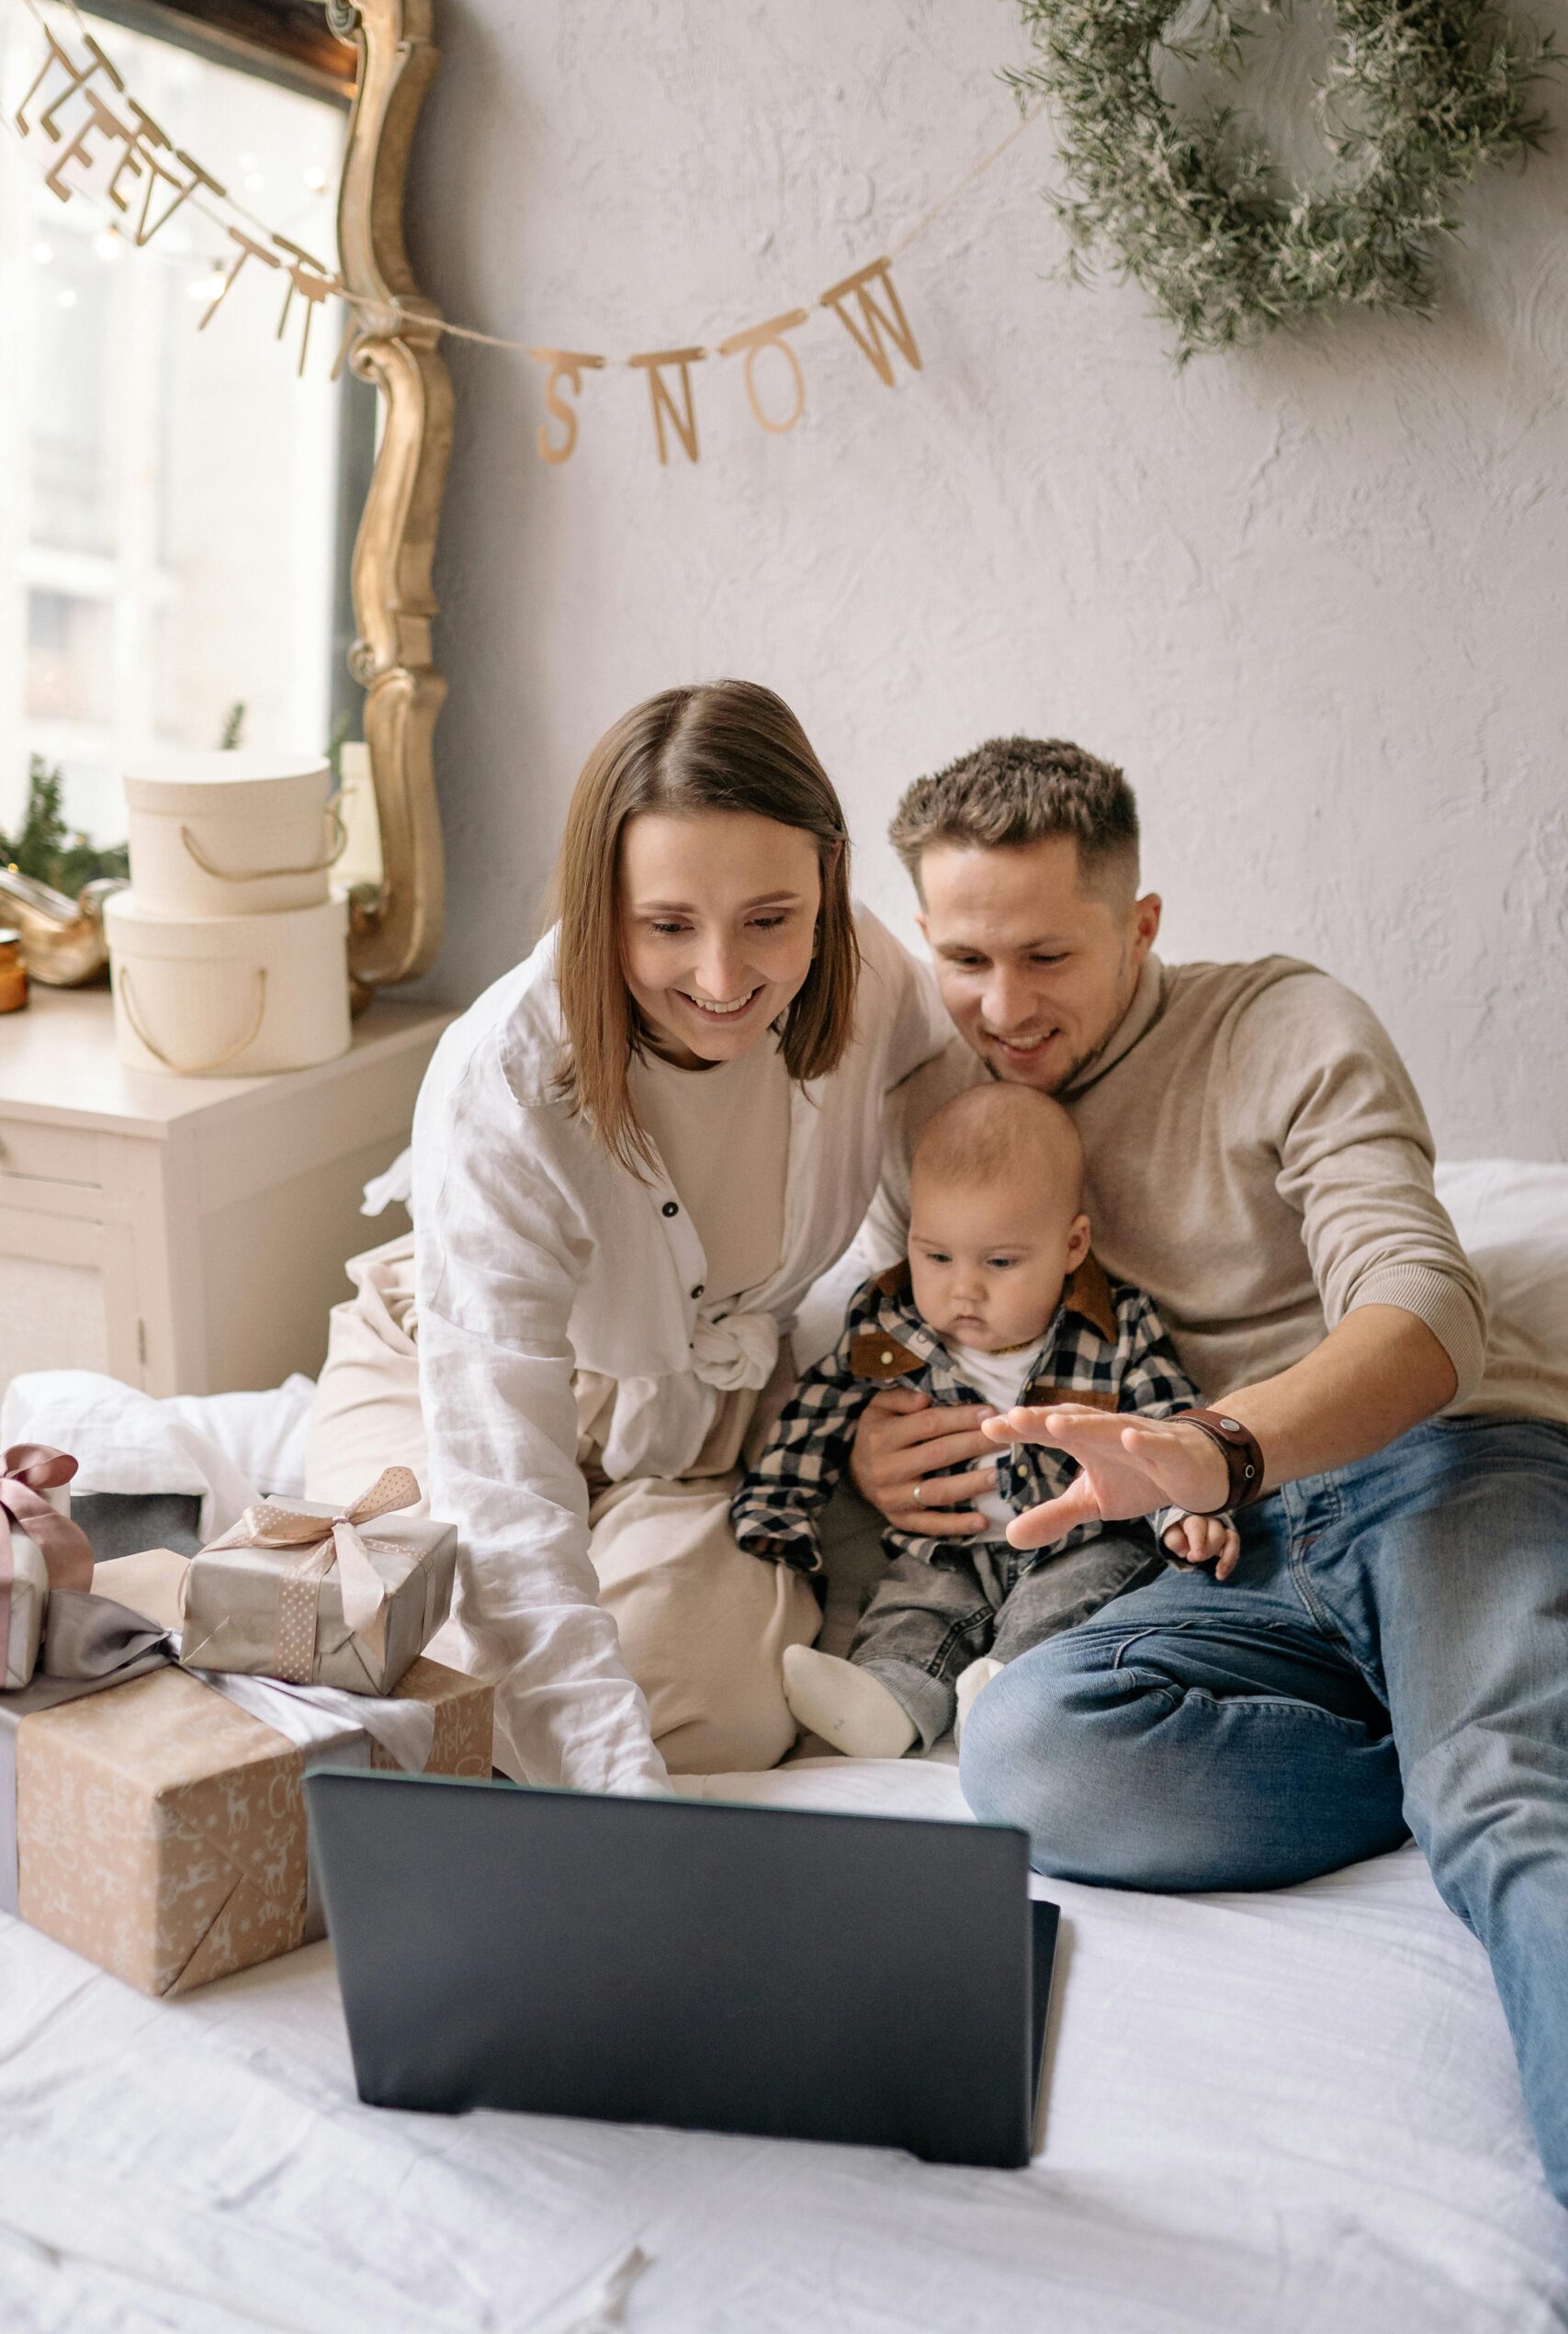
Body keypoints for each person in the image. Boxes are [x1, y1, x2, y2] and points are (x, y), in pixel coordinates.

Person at [847, 734, 1568, 2206]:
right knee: (1031, 1749)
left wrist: (1216, 1446)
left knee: (1497, 1796)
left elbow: (1426, 1317)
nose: (1001, 1007)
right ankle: (1451, 1726)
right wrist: (871, 1425)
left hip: (1429, 1466)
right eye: (964, 958)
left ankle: (1478, 1748)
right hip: (1217, 1560)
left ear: (1142, 923)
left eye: (1045, 954)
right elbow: (898, 1320)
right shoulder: (936, 1103)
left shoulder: (1284, 1025)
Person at [307, 681, 958, 1796]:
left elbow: (954, 1168)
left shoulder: (871, 981)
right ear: (601, 907)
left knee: (711, 1712)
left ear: (827, 883)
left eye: (770, 919)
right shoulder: (503, 1078)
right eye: (666, 926)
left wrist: (909, 1368)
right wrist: (626, 1816)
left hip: (703, 1417)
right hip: (446, 1379)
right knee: (430, 1671)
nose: (722, 978)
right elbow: (500, 1485)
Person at [731, 1081, 1237, 1756]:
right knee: (910, 1605)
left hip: (1077, 1541)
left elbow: (1165, 1429)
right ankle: (887, 1701)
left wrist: (1184, 1515)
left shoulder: (1116, 1330)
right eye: (935, 1256)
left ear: (1072, 1246)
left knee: (1069, 1604)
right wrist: (777, 1513)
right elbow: (815, 1415)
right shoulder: (893, 1326)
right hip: (950, 1546)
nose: (962, 1287)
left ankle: (1008, 1699)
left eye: (999, 1262)